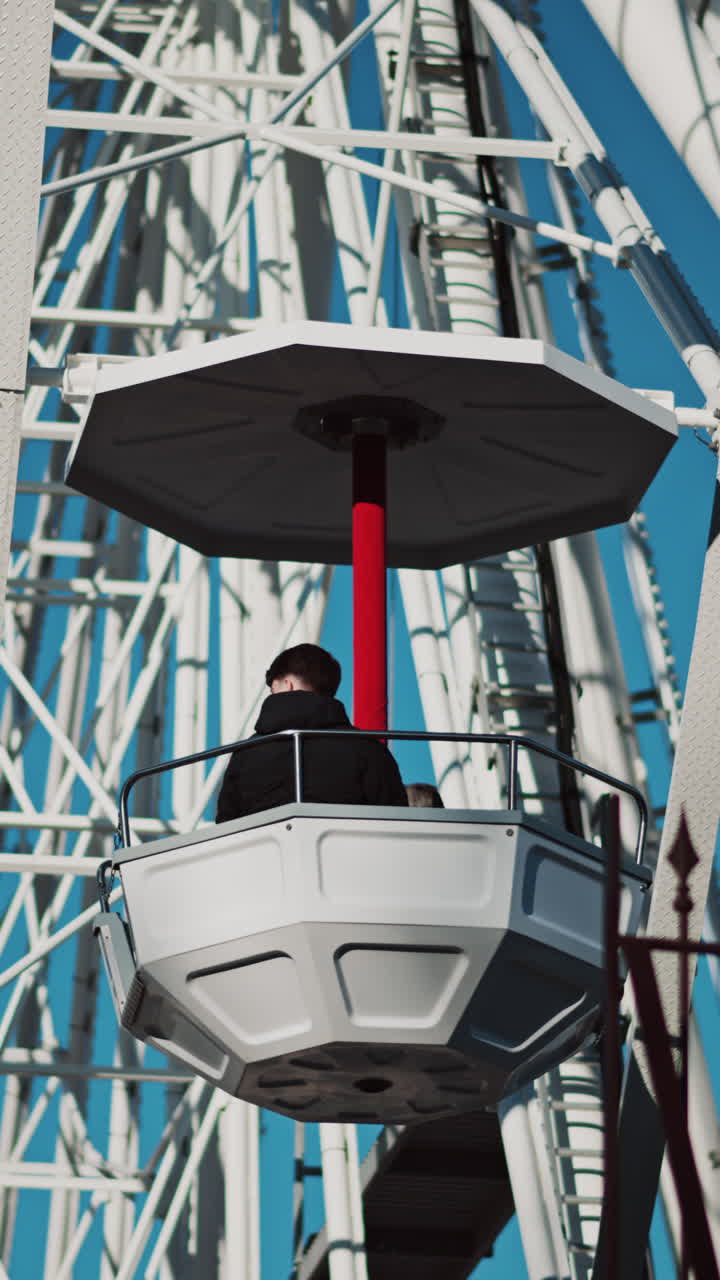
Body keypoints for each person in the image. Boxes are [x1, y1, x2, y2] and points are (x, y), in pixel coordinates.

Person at [216, 643, 408, 821]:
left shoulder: (246, 753)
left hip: (264, 853)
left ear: (287, 684)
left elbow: (227, 823)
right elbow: (395, 818)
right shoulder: (368, 749)